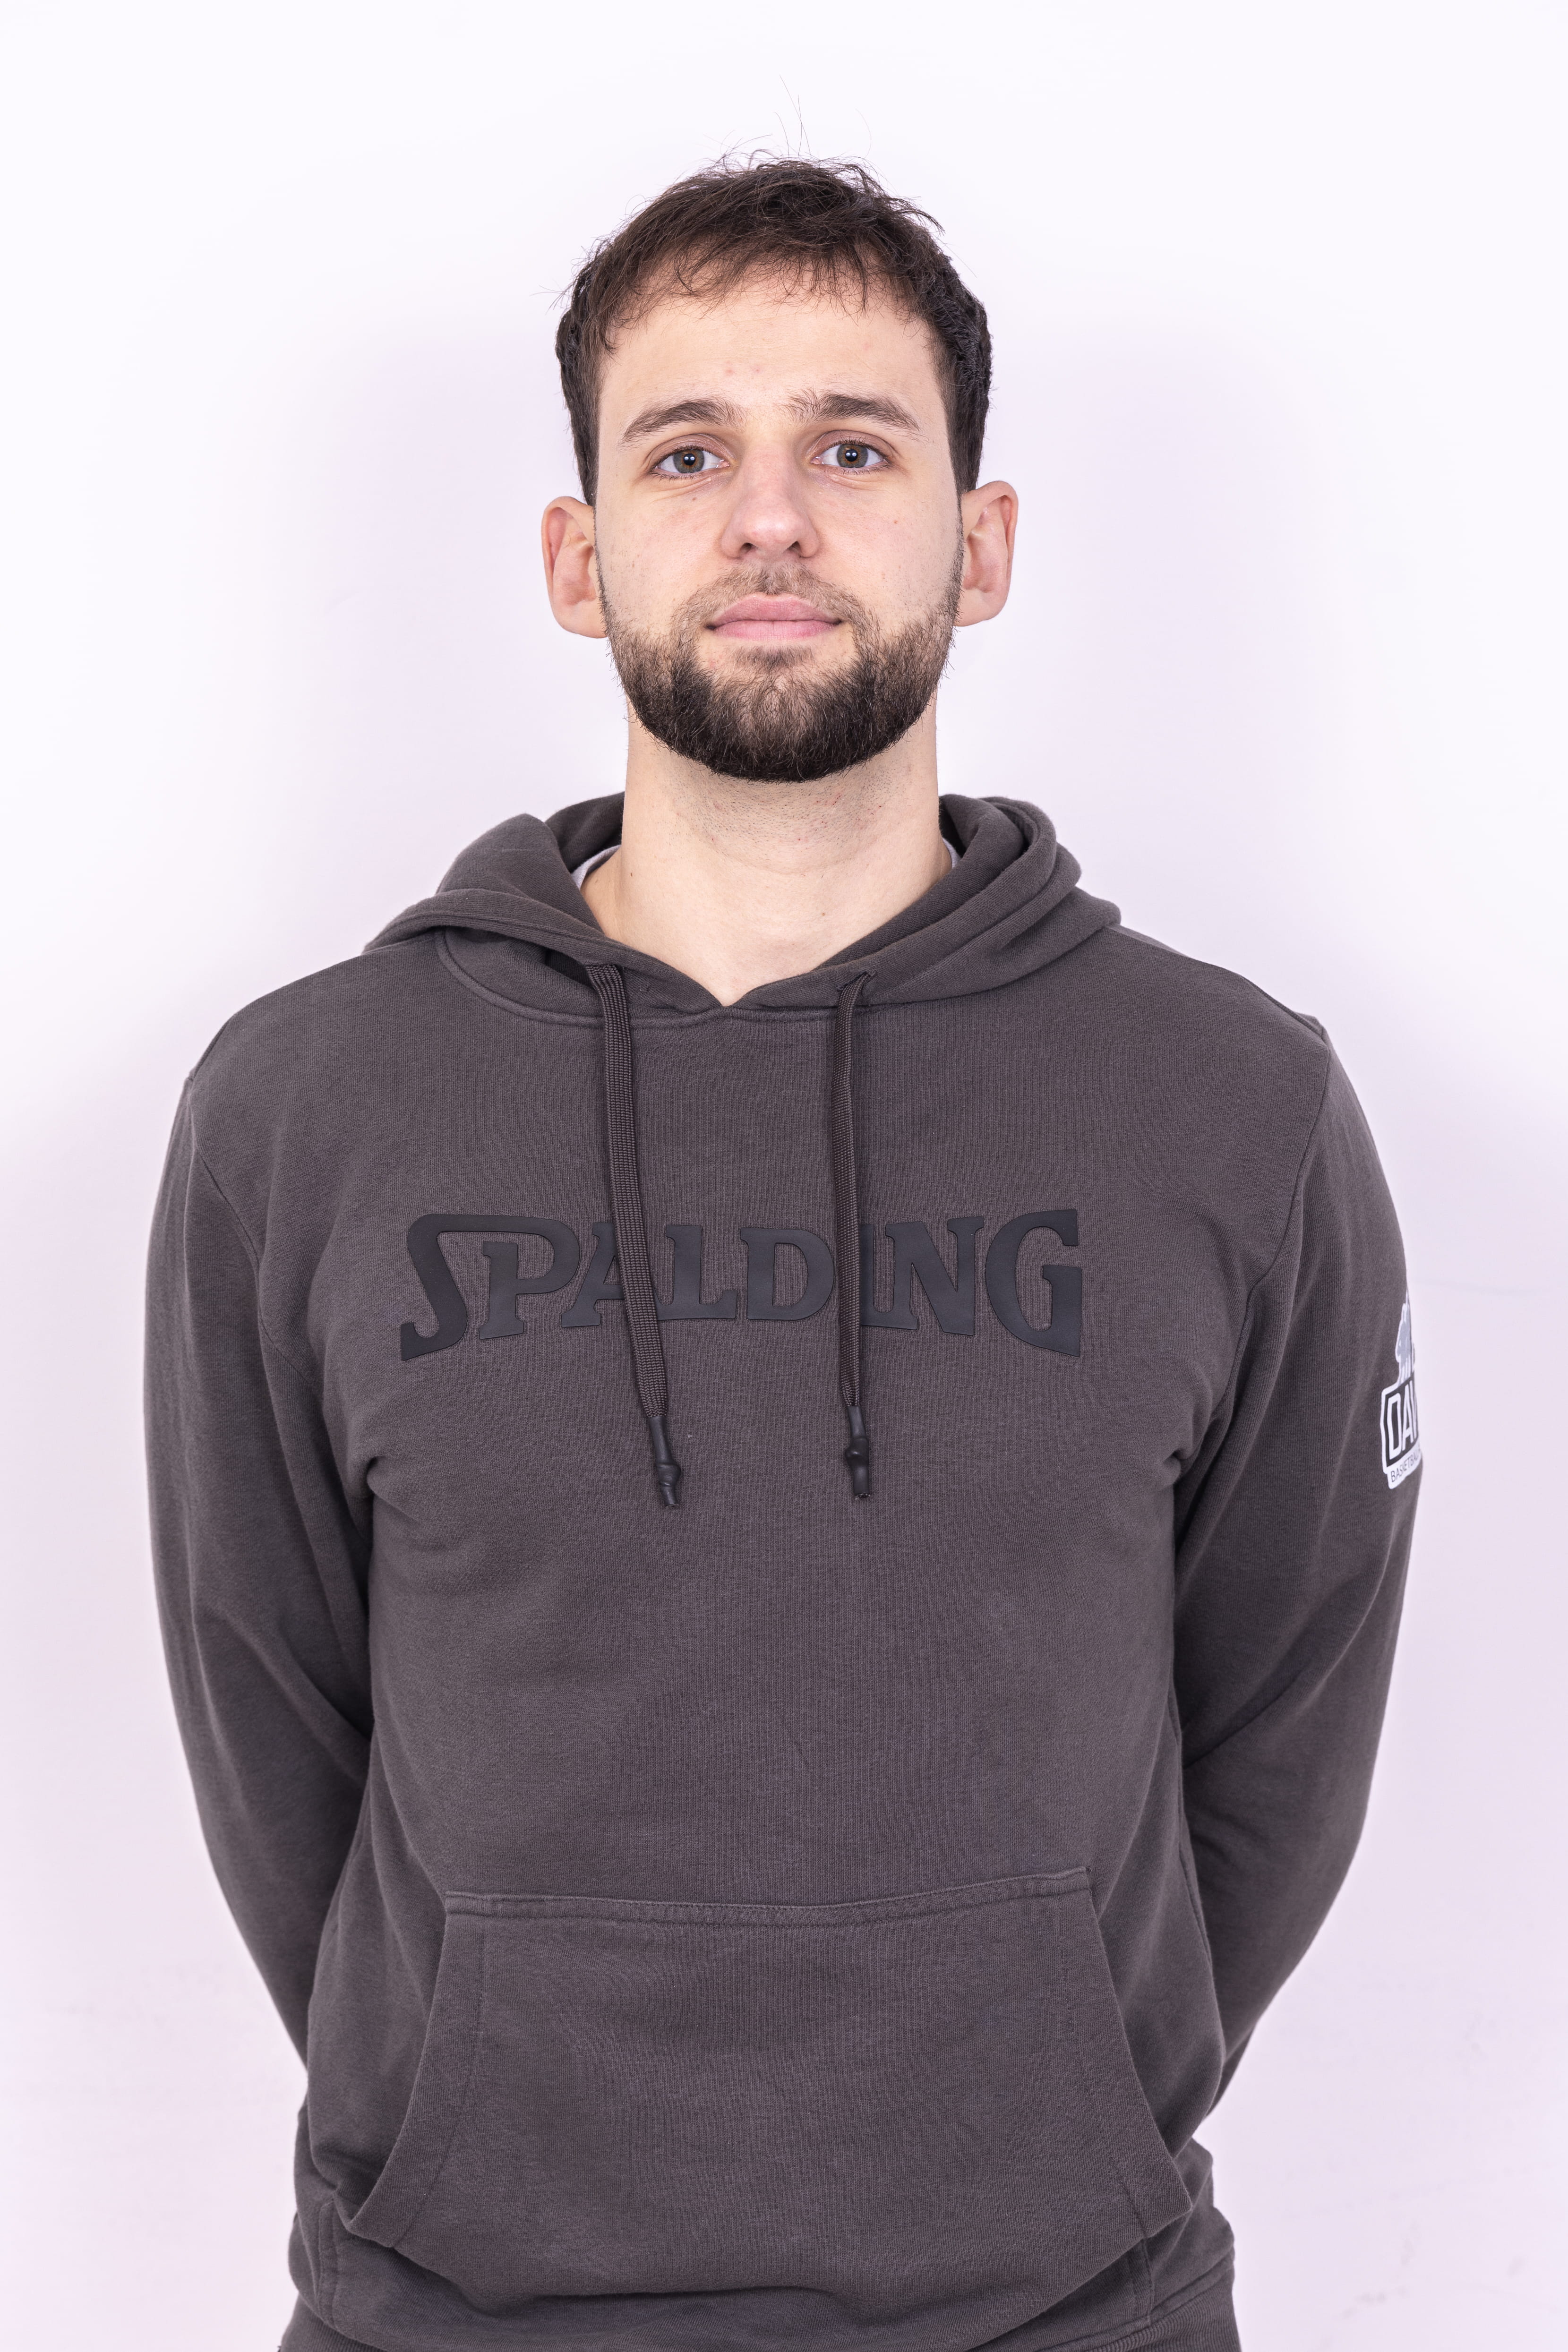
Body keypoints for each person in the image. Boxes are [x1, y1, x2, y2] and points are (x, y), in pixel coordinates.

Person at [145, 159, 1421, 2352]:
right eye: (684, 454)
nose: (767, 521)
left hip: (1065, 2311)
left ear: (977, 542)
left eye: (850, 448)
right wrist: (456, 2094)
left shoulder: (1231, 1105)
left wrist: (1070, 2097)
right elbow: (271, 1714)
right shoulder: (307, 1107)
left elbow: (1281, 1717)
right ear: (578, 558)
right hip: (451, 2312)